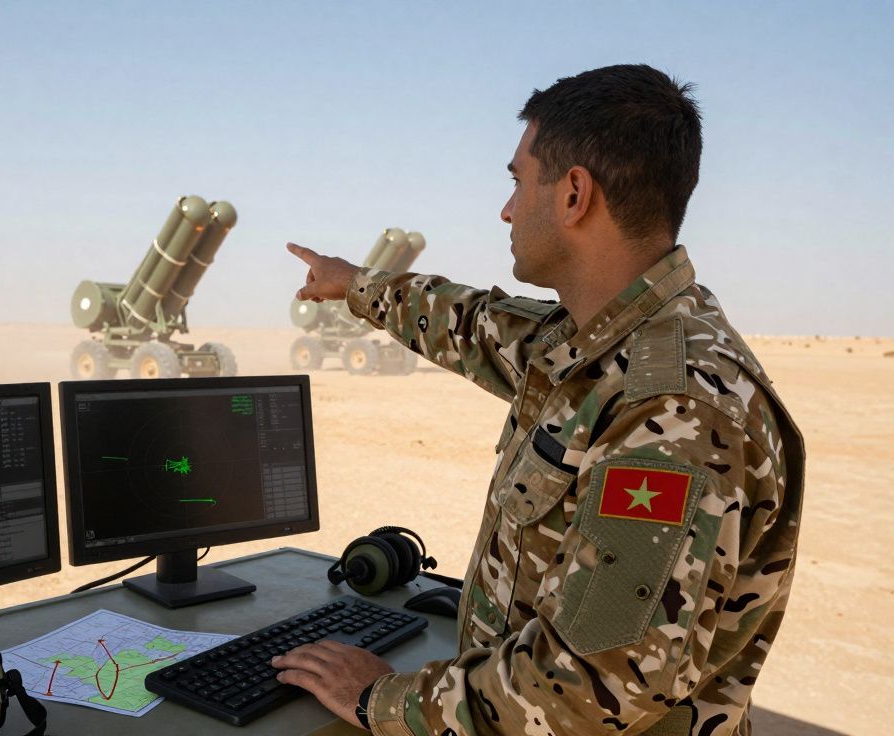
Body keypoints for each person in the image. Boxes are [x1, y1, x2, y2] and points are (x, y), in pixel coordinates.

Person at [273, 64, 806, 735]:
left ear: (575, 194)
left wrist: (381, 699)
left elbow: (589, 686)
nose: (505, 208)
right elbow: (475, 325)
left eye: (518, 181)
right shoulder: (600, 345)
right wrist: (355, 285)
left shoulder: (670, 409)